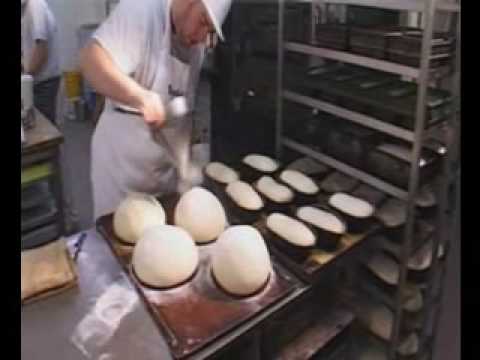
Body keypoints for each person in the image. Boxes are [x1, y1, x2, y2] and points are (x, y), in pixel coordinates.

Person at [80, 0, 232, 220]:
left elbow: (184, 107)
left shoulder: (195, 46)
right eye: (202, 22)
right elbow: (90, 61)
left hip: (163, 175)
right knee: (118, 241)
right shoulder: (142, 10)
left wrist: (192, 150)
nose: (202, 37)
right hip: (122, 174)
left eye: (209, 30)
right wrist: (141, 97)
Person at [21, 0, 61, 124]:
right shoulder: (25, 9)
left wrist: (24, 79)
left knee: (43, 127)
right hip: (36, 79)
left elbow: (41, 51)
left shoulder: (35, 6)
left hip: (44, 82)